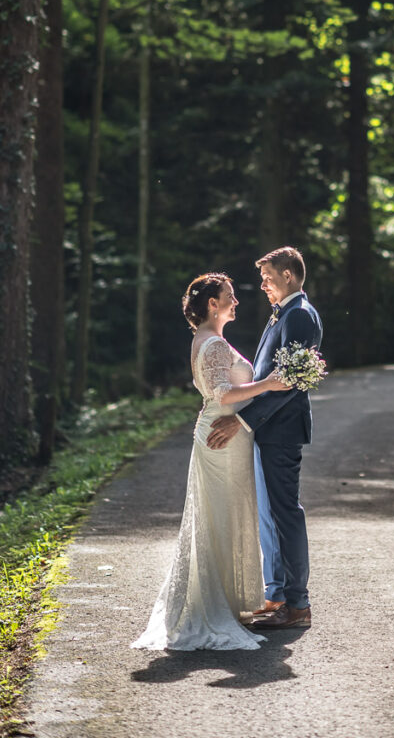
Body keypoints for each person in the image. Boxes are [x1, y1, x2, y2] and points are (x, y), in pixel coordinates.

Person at [131, 271, 288, 651]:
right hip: (222, 436)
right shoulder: (214, 343)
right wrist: (268, 384)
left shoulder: (206, 339)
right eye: (229, 297)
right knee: (221, 517)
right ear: (212, 304)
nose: (236, 301)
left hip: (218, 431)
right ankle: (216, 607)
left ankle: (228, 603)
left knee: (224, 517)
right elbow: (222, 392)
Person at [207, 247, 323, 630]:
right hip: (269, 429)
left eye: (269, 278)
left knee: (285, 513)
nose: (263, 286)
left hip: (281, 429)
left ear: (288, 276)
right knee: (270, 515)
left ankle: (298, 604)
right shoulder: (285, 313)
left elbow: (287, 385)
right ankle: (277, 596)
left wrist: (242, 421)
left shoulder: (301, 316)